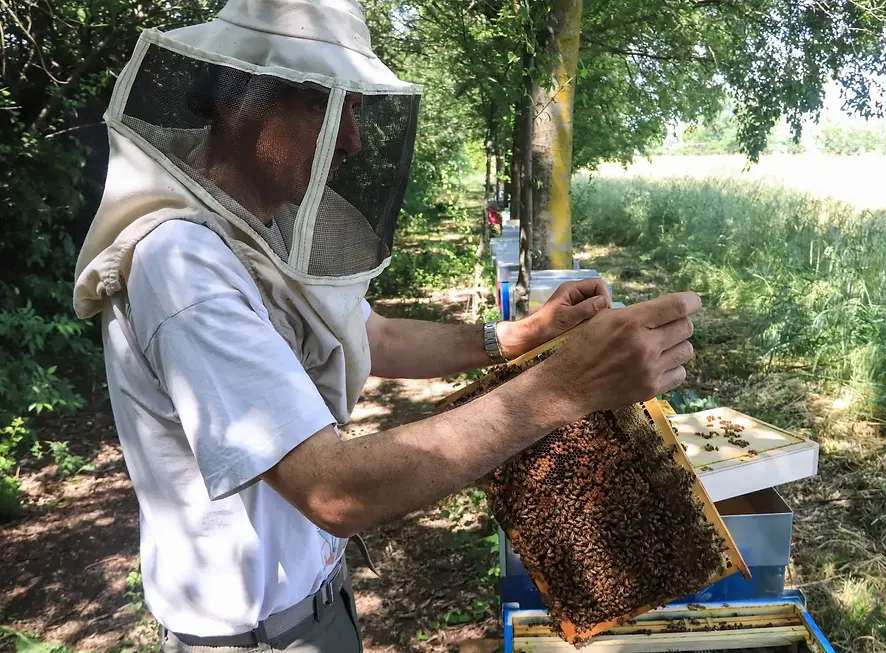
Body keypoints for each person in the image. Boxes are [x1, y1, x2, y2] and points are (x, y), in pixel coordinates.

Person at [71, 1, 701, 651]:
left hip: (317, 600)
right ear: (238, 98)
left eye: (356, 108)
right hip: (254, 639)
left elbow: (375, 335)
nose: (353, 139)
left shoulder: (269, 227)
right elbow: (331, 487)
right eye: (325, 104)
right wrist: (564, 386)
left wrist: (519, 336)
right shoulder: (184, 266)